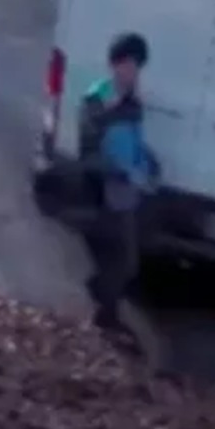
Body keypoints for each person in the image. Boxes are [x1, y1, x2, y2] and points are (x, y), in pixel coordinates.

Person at [79, 31, 159, 337]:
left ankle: (104, 306)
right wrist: (120, 171)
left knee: (124, 262)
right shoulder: (97, 97)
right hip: (102, 190)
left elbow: (134, 142)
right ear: (114, 64)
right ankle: (103, 309)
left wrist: (148, 164)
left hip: (126, 192)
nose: (133, 71)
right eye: (128, 64)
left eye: (137, 65)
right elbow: (90, 143)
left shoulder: (133, 103)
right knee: (122, 260)